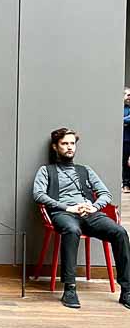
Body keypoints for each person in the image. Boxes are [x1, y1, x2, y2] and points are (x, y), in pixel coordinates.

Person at [32, 127, 130, 309]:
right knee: (71, 230)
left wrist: (93, 206)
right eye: (64, 144)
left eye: (72, 143)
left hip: (89, 213)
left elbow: (105, 194)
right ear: (55, 147)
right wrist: (68, 207)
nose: (69, 147)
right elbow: (38, 195)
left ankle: (127, 290)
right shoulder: (46, 170)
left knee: (120, 232)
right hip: (64, 213)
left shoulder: (85, 170)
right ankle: (70, 289)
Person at [123, 88, 130, 191]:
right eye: (128, 95)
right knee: (124, 163)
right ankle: (126, 184)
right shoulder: (120, 108)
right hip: (124, 139)